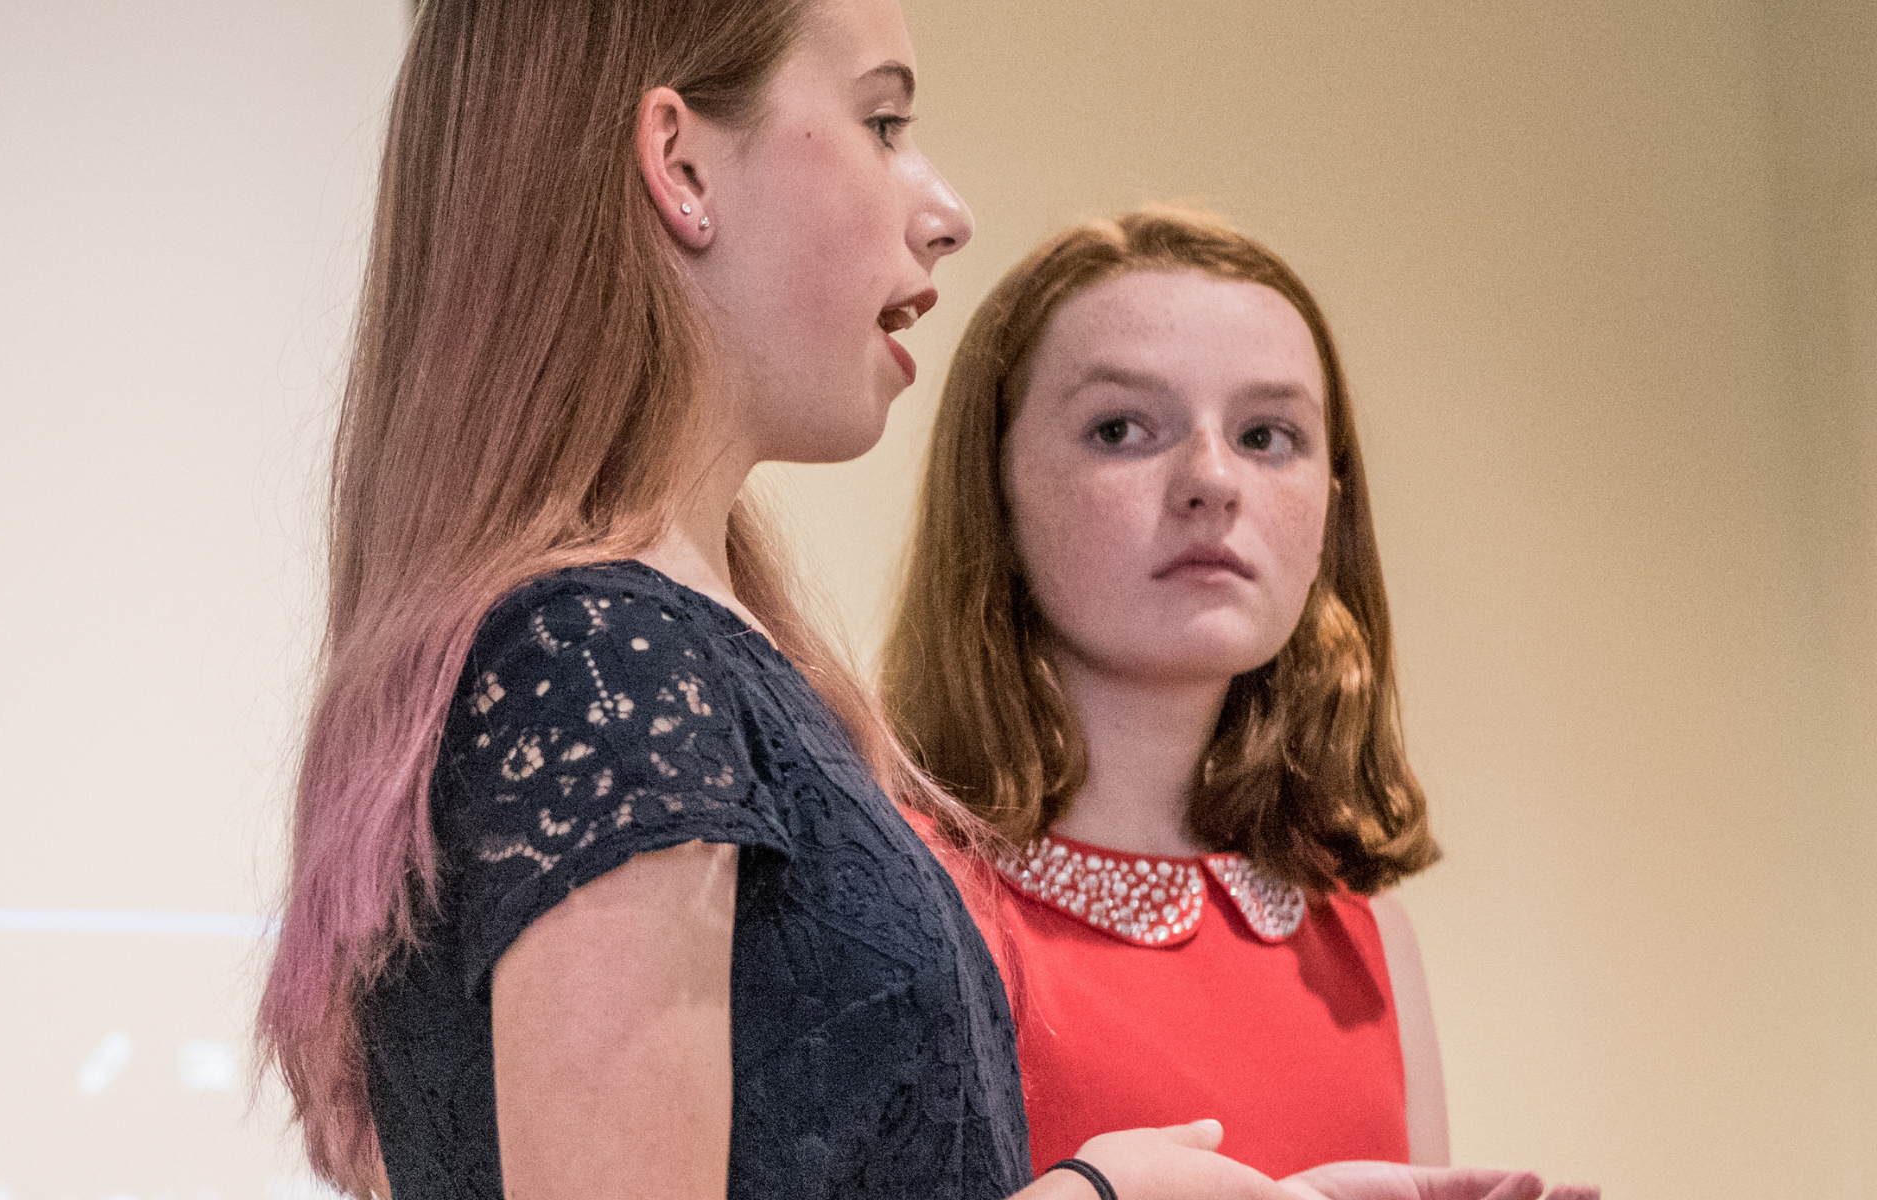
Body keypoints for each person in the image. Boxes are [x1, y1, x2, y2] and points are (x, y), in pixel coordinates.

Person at [244, 4, 1382, 1199]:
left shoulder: (666, 653)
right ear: (681, 167)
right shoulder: (607, 667)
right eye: (882, 121)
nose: (945, 212)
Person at [880, 209, 1589, 1197]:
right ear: (992, 486)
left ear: (1331, 509)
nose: (1212, 480)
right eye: (1121, 428)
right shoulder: (890, 891)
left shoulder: (1368, 936)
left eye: (1267, 435)